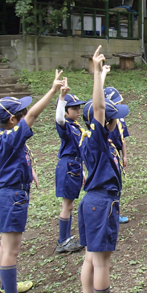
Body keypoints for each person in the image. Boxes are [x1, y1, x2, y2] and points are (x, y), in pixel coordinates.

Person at [0, 69, 65, 293]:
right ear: (13, 120)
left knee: (5, 245)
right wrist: (53, 91)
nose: (25, 115)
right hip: (13, 197)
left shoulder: (0, 137)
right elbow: (33, 115)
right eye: (20, 114)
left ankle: (6, 286)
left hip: (7, 195)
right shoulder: (11, 138)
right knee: (11, 248)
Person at [78, 46, 130, 293]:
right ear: (106, 123)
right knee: (101, 264)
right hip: (101, 204)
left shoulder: (93, 139)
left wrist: (103, 74)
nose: (117, 122)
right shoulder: (97, 138)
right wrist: (97, 74)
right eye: (115, 119)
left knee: (91, 259)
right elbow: (98, 109)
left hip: (91, 204)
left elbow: (99, 111)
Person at [54, 79, 85, 254]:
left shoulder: (75, 126)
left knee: (70, 204)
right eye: (74, 109)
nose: (78, 111)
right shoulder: (65, 127)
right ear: (66, 112)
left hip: (75, 167)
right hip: (67, 167)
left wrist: (82, 172)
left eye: (78, 108)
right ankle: (62, 241)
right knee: (67, 205)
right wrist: (61, 97)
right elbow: (58, 118)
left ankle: (65, 238)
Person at [105, 86, 131, 224]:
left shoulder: (120, 119)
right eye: (117, 103)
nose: (120, 105)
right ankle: (109, 213)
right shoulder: (105, 123)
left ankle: (116, 212)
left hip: (117, 157)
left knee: (118, 185)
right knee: (110, 186)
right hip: (108, 157)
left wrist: (124, 156)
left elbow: (123, 139)